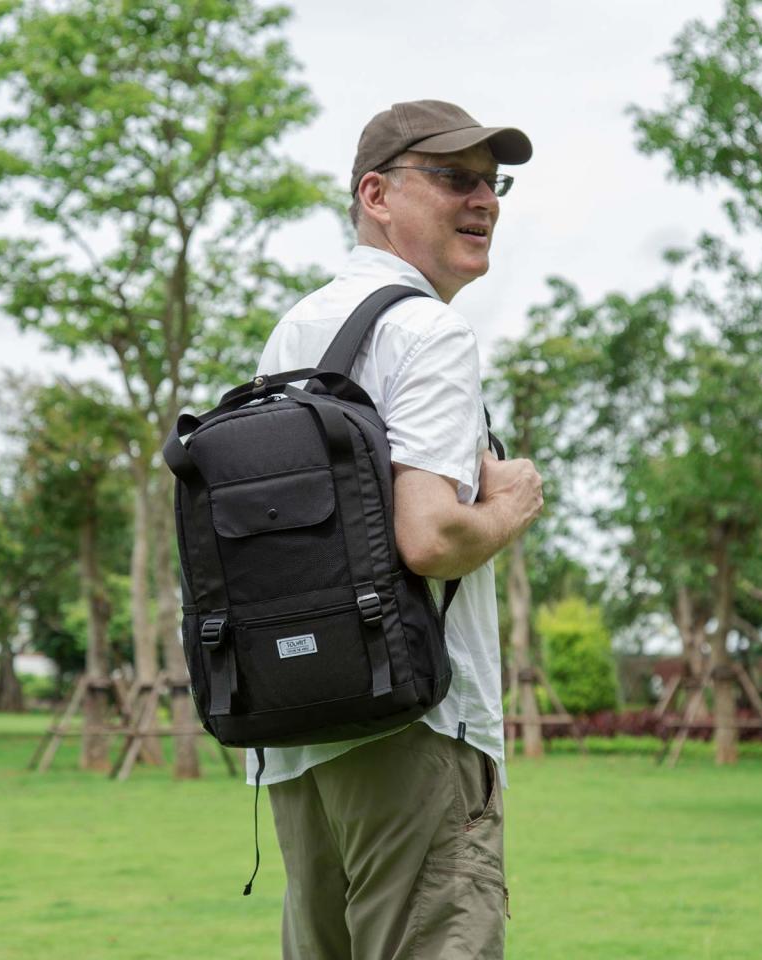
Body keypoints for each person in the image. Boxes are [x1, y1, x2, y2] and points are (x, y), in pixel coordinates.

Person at [250, 99, 544, 960]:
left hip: (300, 731)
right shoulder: (428, 329)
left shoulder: (293, 331)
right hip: (416, 726)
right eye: (455, 178)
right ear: (377, 194)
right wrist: (510, 505)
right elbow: (430, 537)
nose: (484, 200)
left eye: (494, 182)